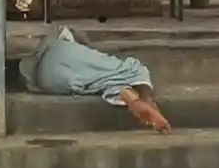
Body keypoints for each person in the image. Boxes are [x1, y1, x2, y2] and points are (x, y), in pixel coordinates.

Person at [21, 26, 171, 132]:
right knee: (132, 67)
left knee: (101, 83)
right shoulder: (65, 41)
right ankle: (146, 100)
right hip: (58, 60)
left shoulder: (54, 45)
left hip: (45, 79)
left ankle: (132, 98)